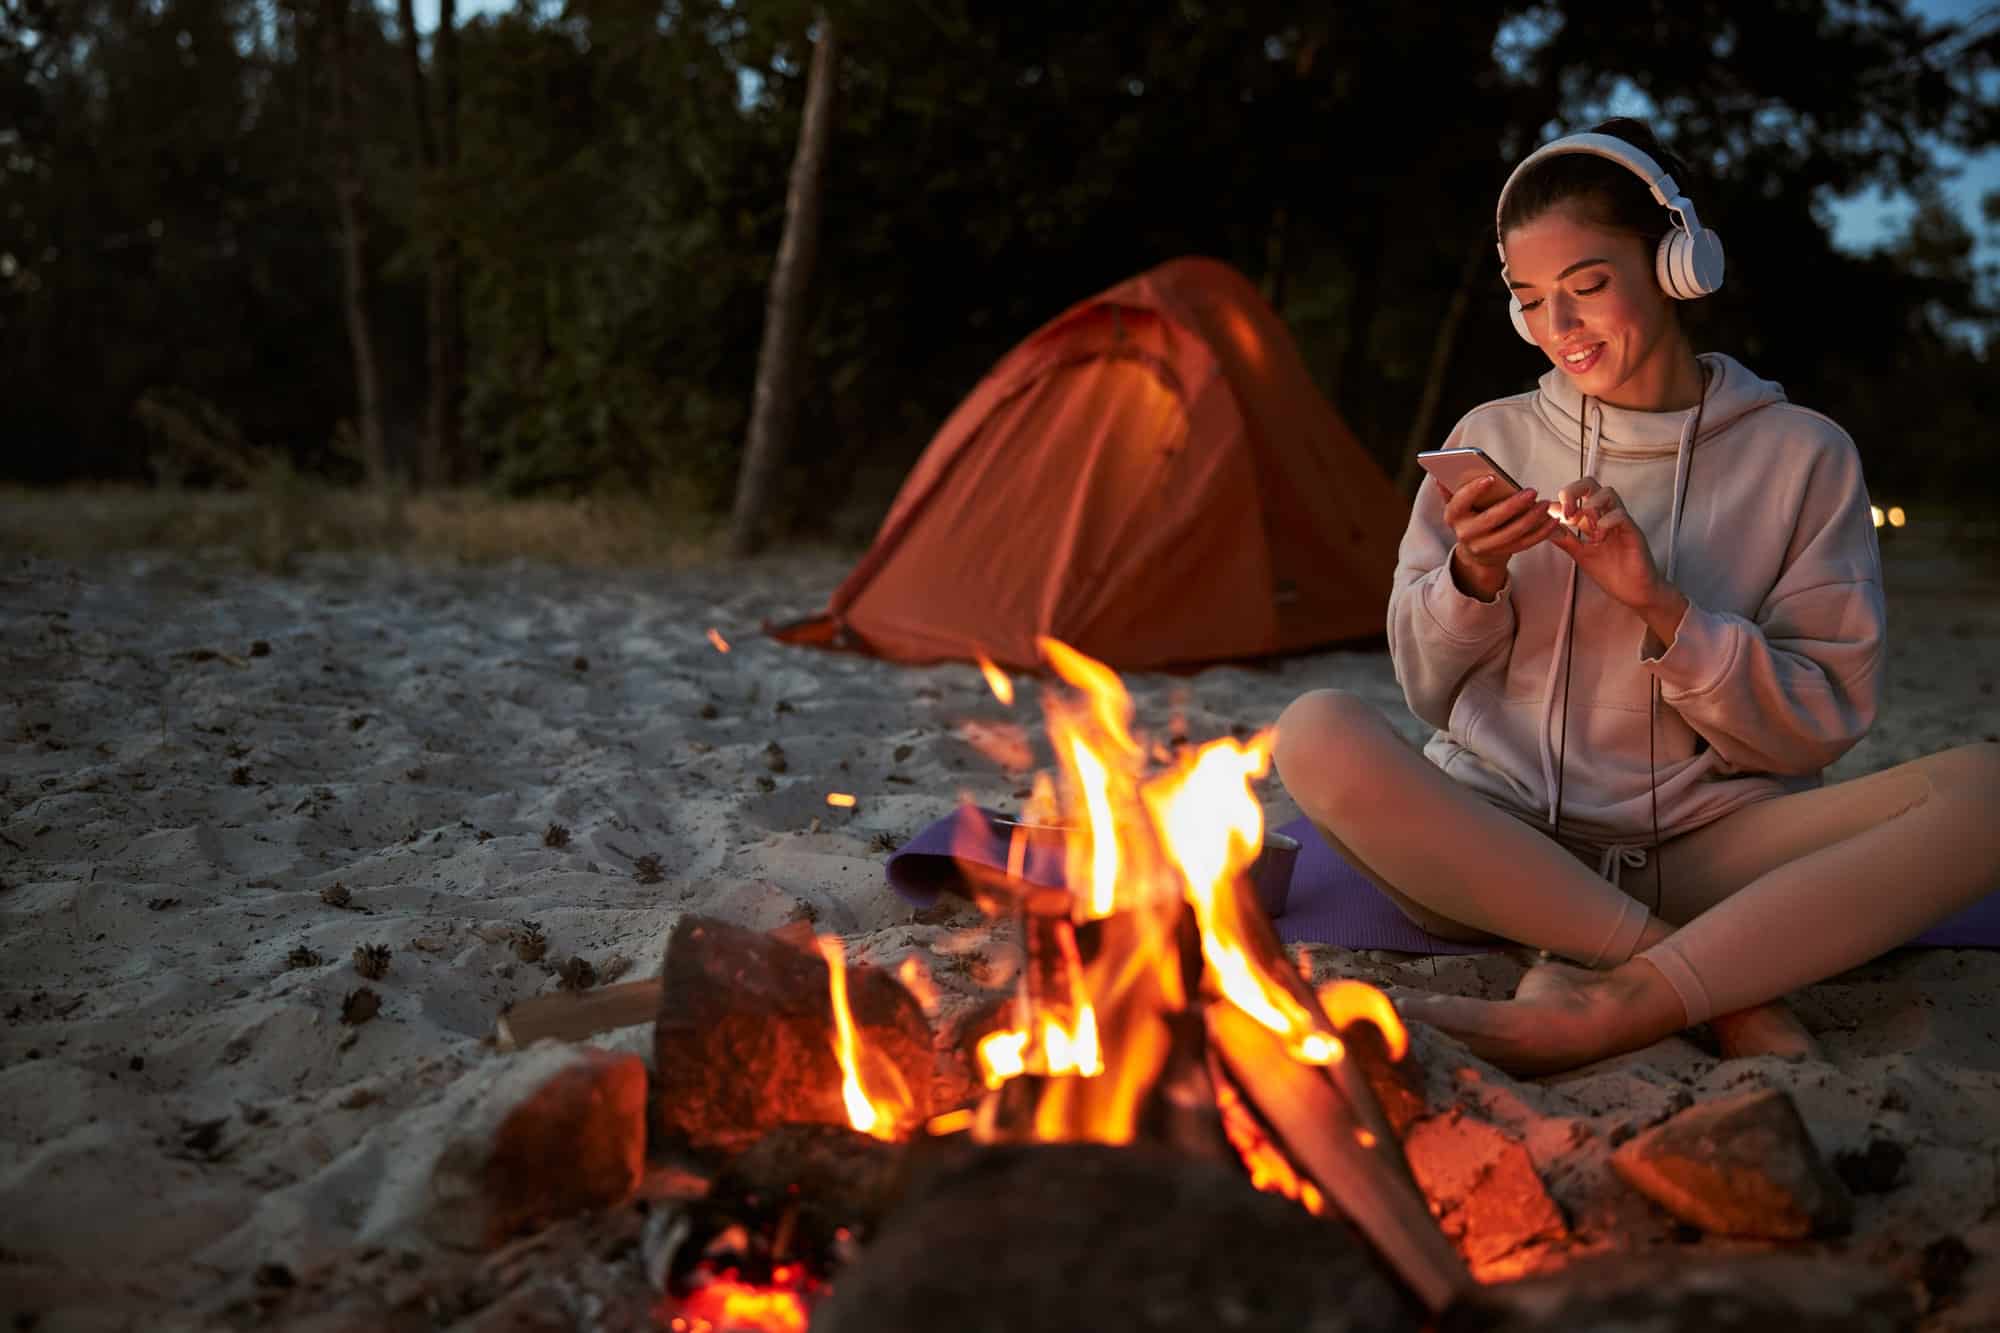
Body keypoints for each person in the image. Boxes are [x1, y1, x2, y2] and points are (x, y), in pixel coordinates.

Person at [1271, 118, 2000, 1076]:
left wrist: (1665, 607)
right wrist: (1472, 580)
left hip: (1714, 856)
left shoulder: (1803, 455)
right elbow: (1423, 690)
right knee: (1315, 729)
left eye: (1587, 287)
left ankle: (1612, 994)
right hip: (1498, 841)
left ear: (1676, 263)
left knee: (1988, 790)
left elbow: (1819, 721)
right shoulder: (1491, 433)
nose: (1559, 329)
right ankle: (1691, 980)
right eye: (1531, 301)